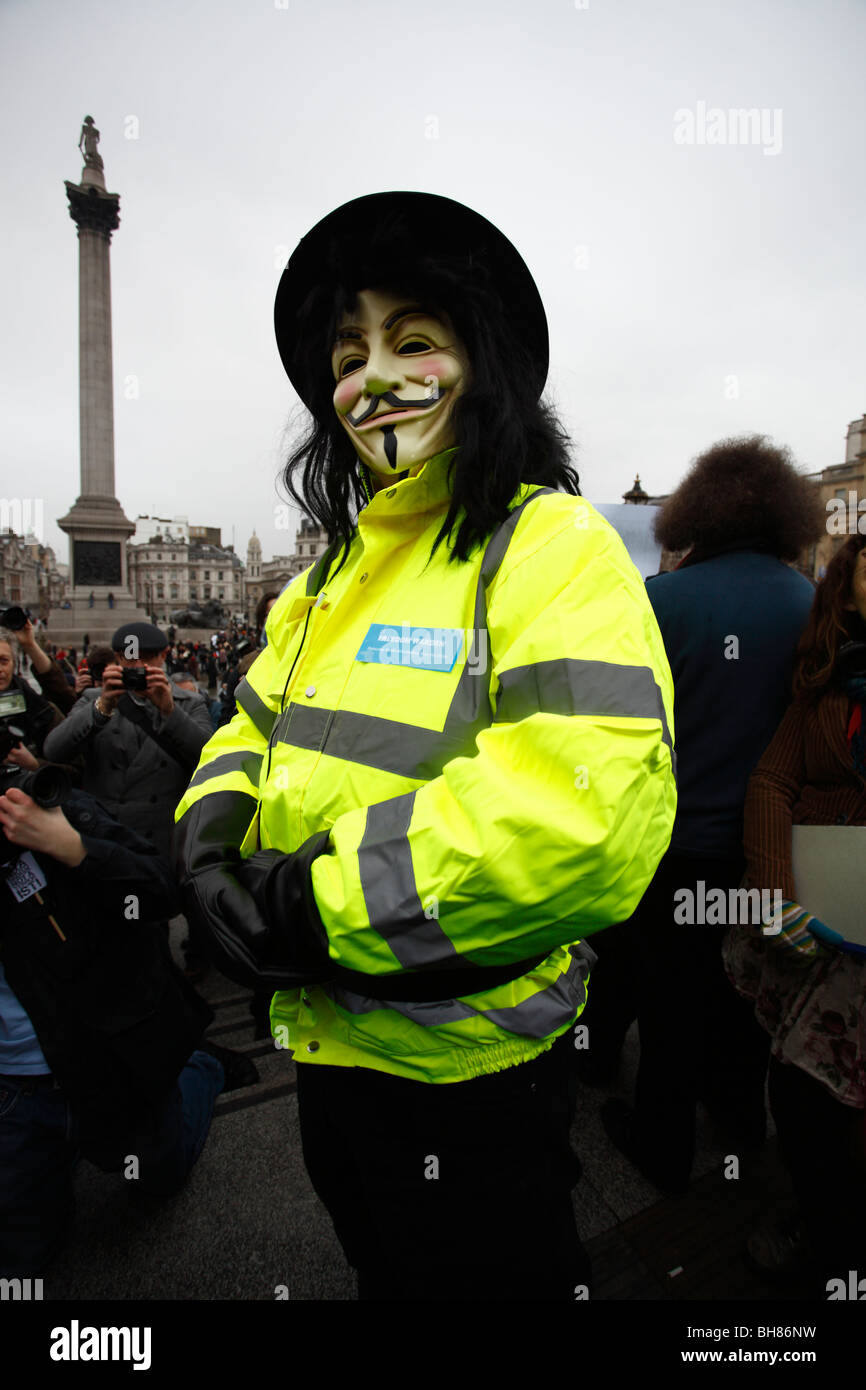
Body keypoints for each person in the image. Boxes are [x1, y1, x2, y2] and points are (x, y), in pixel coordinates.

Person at [175, 191, 677, 1300]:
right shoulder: (324, 580)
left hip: (467, 1080)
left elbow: (586, 816)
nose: (375, 377)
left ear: (479, 361)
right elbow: (249, 728)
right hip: (329, 1052)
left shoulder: (545, 545)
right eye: (350, 352)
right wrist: (206, 836)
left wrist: (314, 904)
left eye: (413, 339)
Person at [591, 437, 824, 1193]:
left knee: (669, 1003)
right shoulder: (810, 604)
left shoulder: (660, 602)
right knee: (746, 998)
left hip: (675, 847)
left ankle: (660, 1144)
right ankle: (738, 1117)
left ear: (696, 513)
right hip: (770, 853)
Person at [0, 772, 224, 1275]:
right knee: (26, 1254)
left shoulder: (51, 810)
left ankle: (198, 1069)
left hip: (112, 1058)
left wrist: (74, 849)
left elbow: (162, 889)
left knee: (157, 1182)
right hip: (14, 1089)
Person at [724, 533, 866, 1287]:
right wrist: (776, 890)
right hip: (830, 929)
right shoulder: (828, 683)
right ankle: (826, 1228)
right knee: (806, 1093)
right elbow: (774, 780)